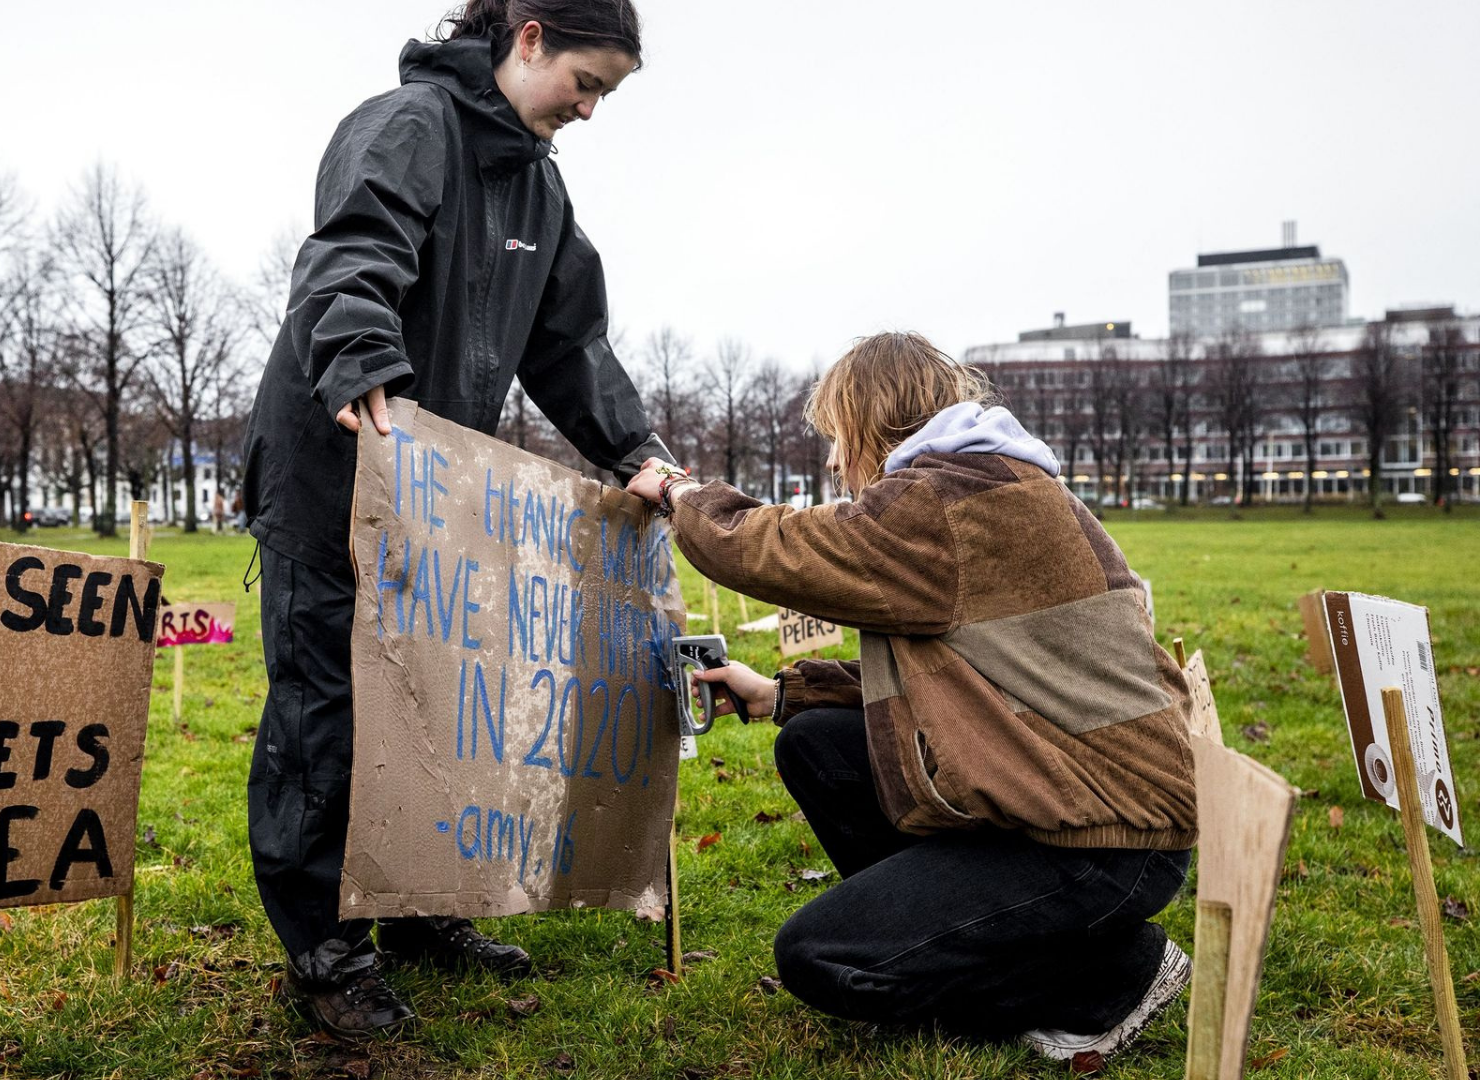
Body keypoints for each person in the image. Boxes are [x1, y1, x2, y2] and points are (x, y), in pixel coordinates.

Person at [240, 0, 669, 1038]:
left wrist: (637, 451)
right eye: (587, 83)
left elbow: (571, 344)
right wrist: (359, 356)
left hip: (438, 504)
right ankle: (326, 955)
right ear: (530, 38)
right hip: (333, 474)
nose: (590, 110)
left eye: (606, 95)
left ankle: (421, 906)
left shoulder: (540, 188)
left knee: (432, 707)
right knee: (329, 721)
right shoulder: (408, 125)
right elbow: (352, 252)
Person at [625, 333, 1198, 1063]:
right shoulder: (984, 484)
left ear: (873, 421)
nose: (834, 461)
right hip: (1071, 802)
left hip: (1105, 839)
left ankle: (1113, 976)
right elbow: (965, 675)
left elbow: (767, 547)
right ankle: (971, 944)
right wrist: (778, 694)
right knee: (814, 742)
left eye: (839, 436)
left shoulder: (944, 501)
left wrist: (676, 490)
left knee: (823, 958)